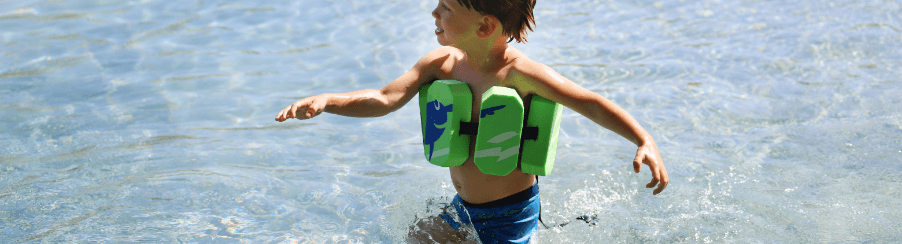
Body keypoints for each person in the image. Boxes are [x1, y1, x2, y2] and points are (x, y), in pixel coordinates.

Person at [275, 0, 669, 242]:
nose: (434, 12)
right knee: (416, 238)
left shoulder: (521, 74)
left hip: (512, 214)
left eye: (446, 7)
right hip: (462, 207)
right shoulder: (439, 64)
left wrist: (642, 138)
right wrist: (329, 101)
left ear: (485, 26)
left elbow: (591, 103)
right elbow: (384, 99)